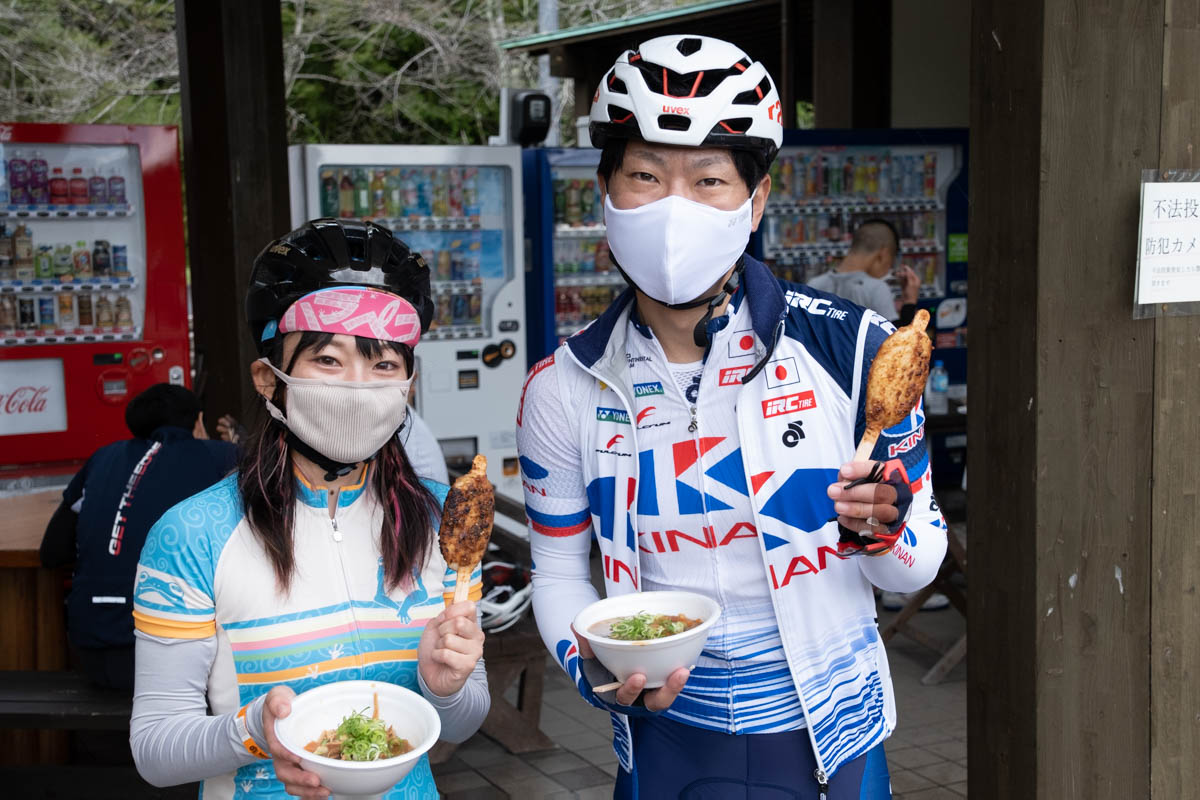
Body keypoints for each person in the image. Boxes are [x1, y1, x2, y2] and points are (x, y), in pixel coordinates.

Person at [516, 35, 947, 798]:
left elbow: (913, 564)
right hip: (664, 743)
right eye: (645, 175)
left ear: (756, 201)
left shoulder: (858, 352)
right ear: (605, 194)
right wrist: (589, 667)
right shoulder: (562, 384)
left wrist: (884, 527)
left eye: (709, 179)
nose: (674, 207)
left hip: (834, 740)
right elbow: (555, 571)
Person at [129, 219, 488, 800]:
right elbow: (155, 748)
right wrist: (253, 733)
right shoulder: (193, 533)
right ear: (270, 382)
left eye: (384, 364)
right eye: (327, 359)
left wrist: (445, 687)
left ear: (408, 386)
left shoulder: (441, 522)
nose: (358, 384)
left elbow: (465, 722)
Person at [39, 383, 237, 691]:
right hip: (167, 655)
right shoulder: (221, 456)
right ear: (198, 421)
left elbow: (51, 552)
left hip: (90, 647)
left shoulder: (102, 458)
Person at [807, 218, 921, 323]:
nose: (889, 268)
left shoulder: (814, 284)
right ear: (883, 254)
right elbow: (897, 342)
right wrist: (909, 301)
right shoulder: (877, 288)